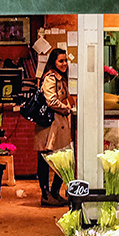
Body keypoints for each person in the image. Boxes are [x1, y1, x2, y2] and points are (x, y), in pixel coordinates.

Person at [34, 48, 73, 206]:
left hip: (58, 124)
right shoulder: (51, 78)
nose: (64, 64)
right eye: (60, 61)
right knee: (46, 159)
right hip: (50, 126)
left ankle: (54, 192)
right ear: (53, 62)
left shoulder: (61, 78)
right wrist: (67, 109)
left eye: (65, 60)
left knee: (63, 160)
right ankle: (46, 194)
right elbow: (51, 100)